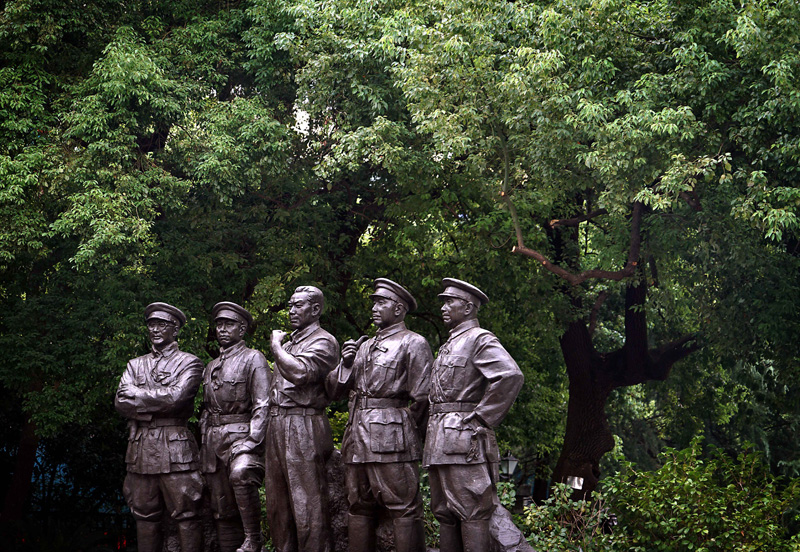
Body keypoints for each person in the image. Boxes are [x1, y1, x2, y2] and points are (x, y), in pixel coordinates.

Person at [326, 278, 432, 552]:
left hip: (392, 440)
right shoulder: (363, 346)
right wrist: (346, 364)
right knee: (358, 505)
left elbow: (423, 398)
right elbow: (334, 391)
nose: (374, 308)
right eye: (373, 302)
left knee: (403, 507)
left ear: (398, 309)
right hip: (356, 438)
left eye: (380, 302)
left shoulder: (413, 343)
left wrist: (402, 428)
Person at [424, 278, 524, 552]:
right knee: (444, 510)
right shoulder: (451, 343)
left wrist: (482, 417)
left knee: (472, 509)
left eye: (449, 302)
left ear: (468, 308)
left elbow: (510, 375)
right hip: (439, 438)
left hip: (463, 438)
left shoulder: (479, 339)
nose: (443, 307)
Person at [115, 302, 204, 552]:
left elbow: (177, 398)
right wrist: (158, 401)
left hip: (175, 449)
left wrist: (138, 395)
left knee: (187, 512)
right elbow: (120, 402)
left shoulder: (190, 363)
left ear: (175, 330)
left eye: (161, 325)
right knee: (144, 513)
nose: (154, 329)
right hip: (141, 448)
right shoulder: (135, 364)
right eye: (151, 325)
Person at [266, 285, 340, 552]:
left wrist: (275, 346)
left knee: (307, 502)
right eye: (290, 305)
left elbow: (300, 373)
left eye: (298, 305)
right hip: (277, 423)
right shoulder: (290, 344)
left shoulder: (324, 341)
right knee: (277, 503)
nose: (291, 311)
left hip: (304, 424)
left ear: (315, 309)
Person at [200, 302, 270, 552]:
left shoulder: (254, 358)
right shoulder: (210, 366)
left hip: (242, 437)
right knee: (221, 506)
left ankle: (254, 538)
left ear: (242, 329)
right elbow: (207, 409)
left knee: (241, 474)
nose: (222, 329)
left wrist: (252, 441)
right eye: (219, 324)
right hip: (213, 440)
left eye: (228, 324)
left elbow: (263, 404)